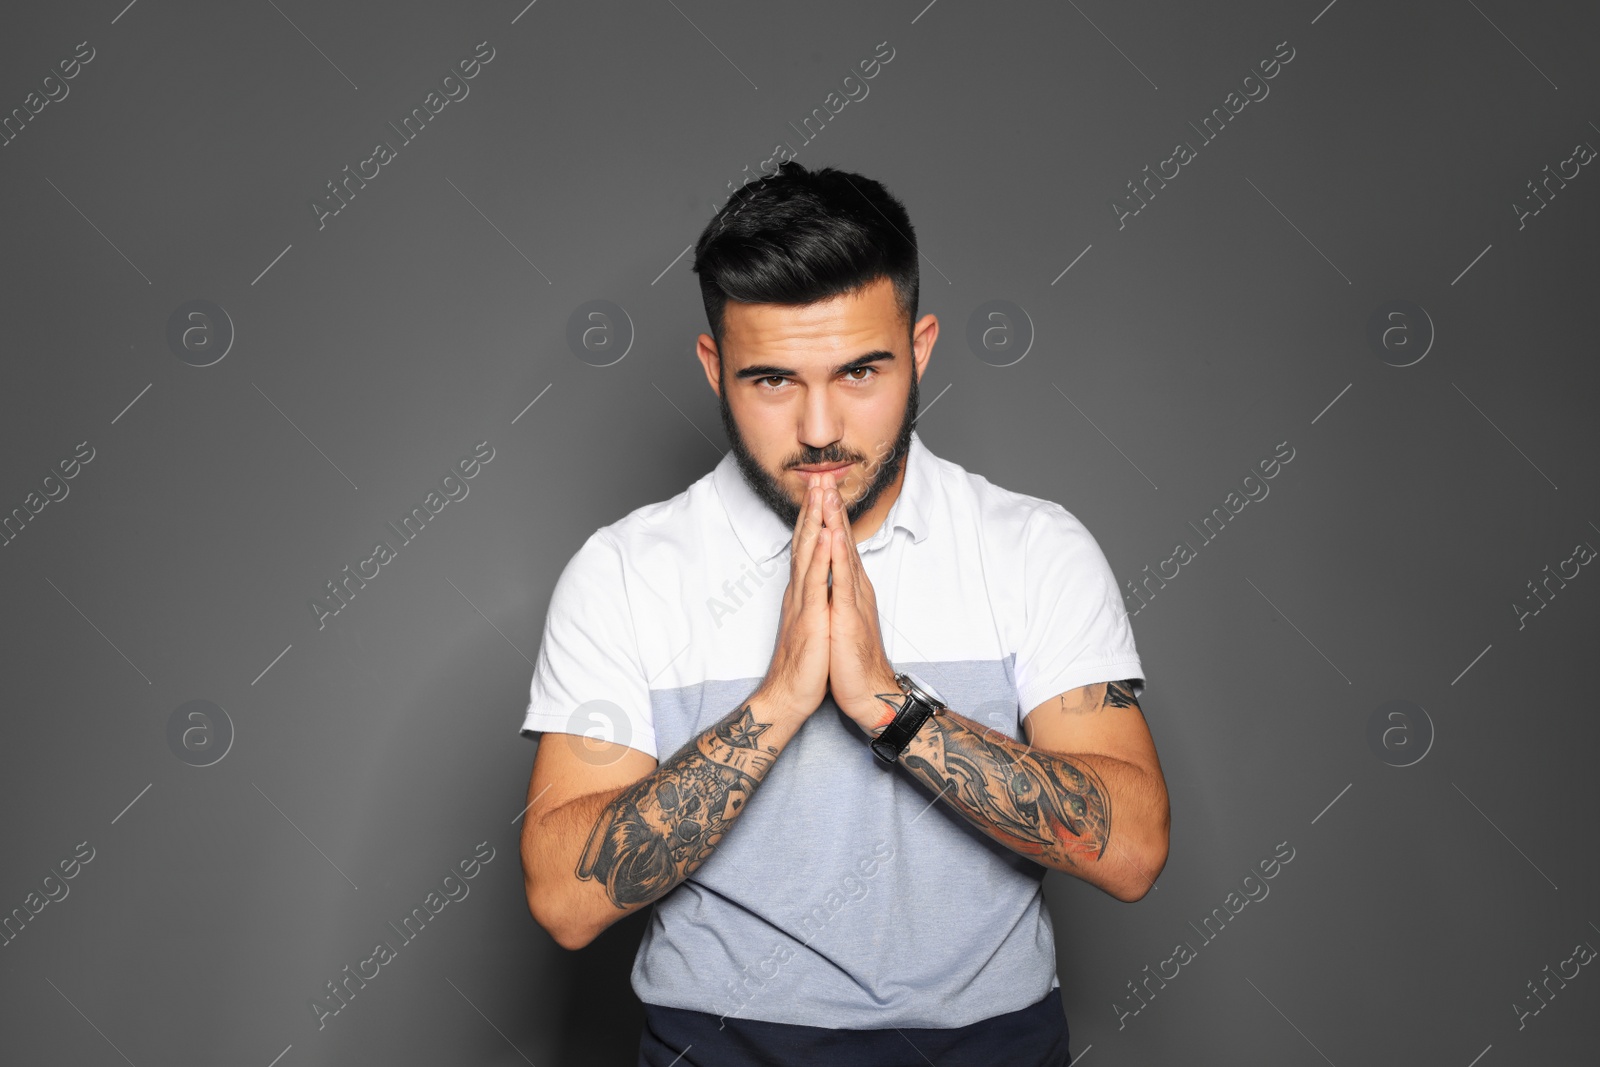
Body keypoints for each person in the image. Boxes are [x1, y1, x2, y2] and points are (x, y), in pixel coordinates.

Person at [518, 161, 1170, 1067]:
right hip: (718, 1047)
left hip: (991, 1047)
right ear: (715, 368)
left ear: (922, 347)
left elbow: (1131, 848)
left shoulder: (1033, 548)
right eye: (773, 380)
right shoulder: (625, 572)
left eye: (861, 370)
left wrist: (890, 708)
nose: (820, 427)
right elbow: (563, 897)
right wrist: (778, 701)